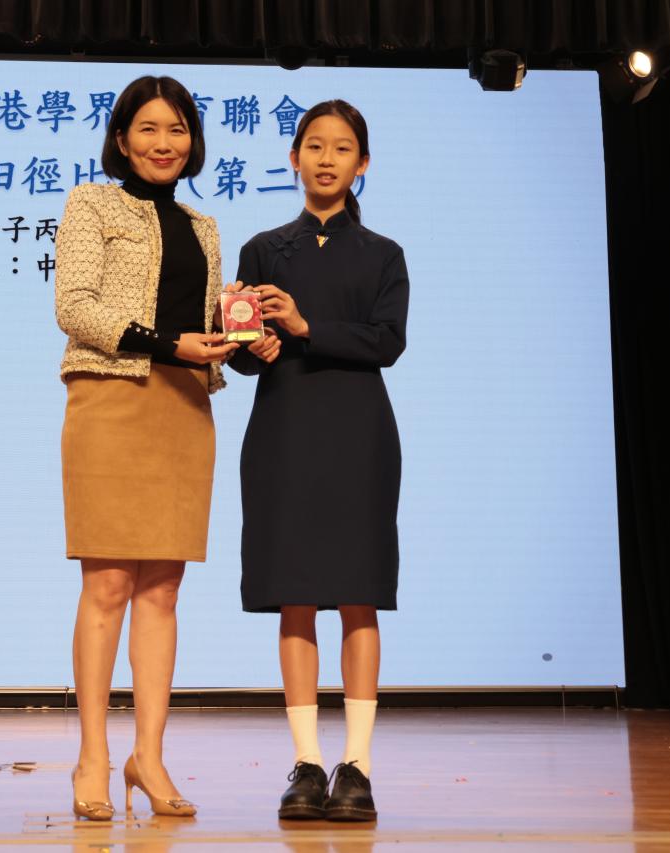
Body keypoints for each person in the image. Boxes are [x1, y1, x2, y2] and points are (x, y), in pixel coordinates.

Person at [54, 74, 238, 821]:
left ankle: (149, 757)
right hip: (110, 398)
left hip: (185, 408)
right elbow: (74, 307)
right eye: (150, 129)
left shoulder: (204, 226)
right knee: (106, 586)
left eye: (178, 129)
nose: (165, 143)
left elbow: (209, 334)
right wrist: (167, 343)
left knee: (162, 591)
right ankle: (93, 758)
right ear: (122, 139)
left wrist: (249, 342)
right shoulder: (90, 204)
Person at [227, 99, 409, 822]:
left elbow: (388, 341)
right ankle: (306, 763)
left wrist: (305, 326)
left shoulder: (384, 254)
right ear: (294, 157)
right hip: (284, 429)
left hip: (359, 433)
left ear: (362, 163)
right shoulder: (264, 249)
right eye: (314, 145)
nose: (327, 158)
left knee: (359, 593)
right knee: (295, 593)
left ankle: (356, 765)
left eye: (341, 148)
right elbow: (242, 356)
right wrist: (255, 344)